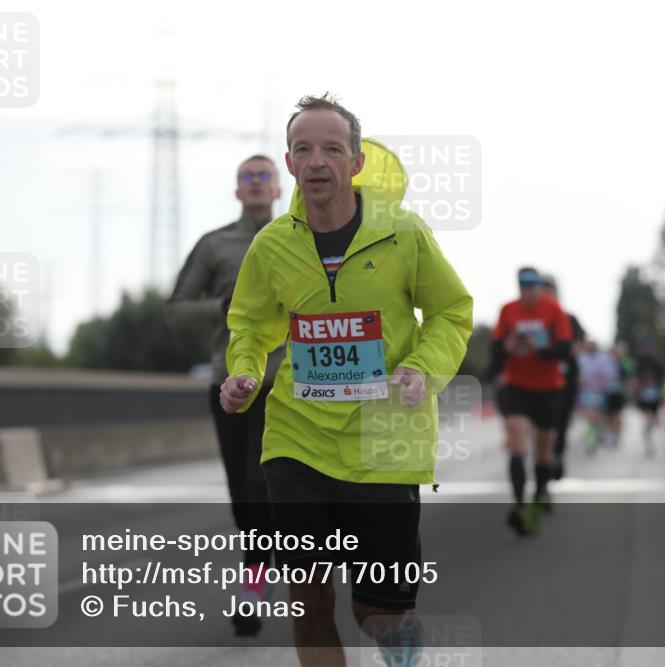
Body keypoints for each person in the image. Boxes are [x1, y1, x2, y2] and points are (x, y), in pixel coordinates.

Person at [220, 94, 472, 667]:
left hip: (386, 440)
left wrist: (421, 369)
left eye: (331, 149)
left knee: (377, 615)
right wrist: (244, 373)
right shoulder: (273, 245)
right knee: (308, 602)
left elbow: (451, 313)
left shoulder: (404, 235)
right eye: (304, 150)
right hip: (297, 440)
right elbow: (251, 325)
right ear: (289, 164)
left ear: (356, 163)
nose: (317, 162)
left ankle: (399, 643)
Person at [166, 154, 283, 636]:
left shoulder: (302, 238)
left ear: (279, 188)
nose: (255, 184)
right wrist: (223, 305)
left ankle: (275, 576)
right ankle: (259, 573)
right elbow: (175, 311)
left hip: (296, 384)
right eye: (246, 177)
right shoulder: (215, 246)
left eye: (264, 176)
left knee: (274, 485)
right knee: (245, 492)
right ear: (238, 191)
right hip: (232, 380)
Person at [489, 267, 573, 533]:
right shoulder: (508, 310)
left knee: (543, 449)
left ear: (539, 286)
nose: (528, 290)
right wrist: (507, 348)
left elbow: (565, 351)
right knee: (516, 440)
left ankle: (540, 492)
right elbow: (496, 347)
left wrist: (541, 349)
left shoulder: (553, 310)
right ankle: (519, 506)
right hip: (518, 385)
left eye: (532, 285)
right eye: (523, 285)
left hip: (549, 388)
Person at [539, 274, 584, 482]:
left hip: (564, 382)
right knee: (542, 428)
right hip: (538, 381)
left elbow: (578, 345)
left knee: (560, 424)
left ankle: (556, 457)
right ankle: (543, 466)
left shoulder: (569, 319)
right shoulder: (534, 319)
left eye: (549, 290)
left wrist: (561, 349)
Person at [634, 343, 665, 455]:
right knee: (649, 417)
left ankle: (649, 429)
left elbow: (663, 376)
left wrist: (656, 382)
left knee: (652, 419)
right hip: (644, 396)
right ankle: (648, 435)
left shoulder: (657, 363)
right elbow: (636, 379)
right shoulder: (640, 363)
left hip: (654, 395)